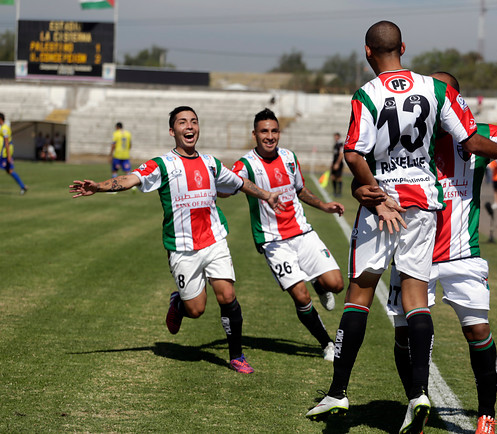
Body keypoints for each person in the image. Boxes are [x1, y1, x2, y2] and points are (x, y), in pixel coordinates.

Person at [305, 22, 497, 433]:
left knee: (360, 293)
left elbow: (354, 153)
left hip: (383, 201)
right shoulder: (435, 88)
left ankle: (338, 390)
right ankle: (420, 393)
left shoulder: (366, 95)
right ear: (404, 48)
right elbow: (470, 139)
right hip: (424, 202)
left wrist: (374, 189)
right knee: (415, 297)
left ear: (368, 53)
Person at [354, 72, 497, 434]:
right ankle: (418, 402)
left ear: (456, 103)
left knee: (478, 331)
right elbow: (360, 167)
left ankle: (486, 414)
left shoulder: (478, 137)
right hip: (414, 255)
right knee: (405, 337)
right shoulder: (403, 138)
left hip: (463, 254)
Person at [69, 106, 283, 374]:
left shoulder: (211, 163)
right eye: (183, 122)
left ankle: (236, 355)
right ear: (173, 131)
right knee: (196, 310)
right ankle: (179, 303)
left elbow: (239, 183)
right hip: (182, 248)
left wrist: (267, 195)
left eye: (194, 121)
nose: (189, 126)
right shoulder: (161, 164)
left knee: (227, 295)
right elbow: (130, 179)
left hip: (214, 240)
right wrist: (100, 187)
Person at [229, 108, 344, 362]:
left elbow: (300, 190)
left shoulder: (289, 157)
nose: (269, 136)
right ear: (254, 135)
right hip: (273, 242)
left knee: (336, 284)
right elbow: (230, 186)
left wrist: (324, 206)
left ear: (279, 133)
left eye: (274, 131)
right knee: (301, 297)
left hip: (303, 233)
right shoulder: (246, 164)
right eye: (264, 132)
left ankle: (318, 282)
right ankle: (326, 343)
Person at [0, 113, 27, 194]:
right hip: (3, 154)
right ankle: (23, 186)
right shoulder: (4, 127)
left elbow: (7, 143)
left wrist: (8, 157)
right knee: (10, 171)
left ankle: (23, 186)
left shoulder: (4, 128)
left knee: (10, 171)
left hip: (4, 155)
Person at [330, 132, 344, 197]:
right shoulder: (335, 145)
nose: (335, 138)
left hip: (339, 163)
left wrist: (337, 164)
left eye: (336, 136)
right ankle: (335, 192)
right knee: (333, 177)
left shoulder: (340, 145)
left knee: (338, 178)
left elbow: (341, 155)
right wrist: (332, 163)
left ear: (339, 137)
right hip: (334, 163)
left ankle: (339, 193)